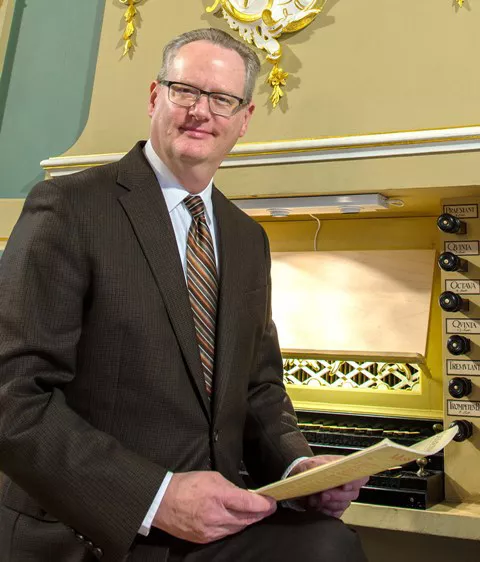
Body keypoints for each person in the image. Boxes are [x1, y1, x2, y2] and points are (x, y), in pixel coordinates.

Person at [0, 28, 368, 562]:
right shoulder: (69, 207)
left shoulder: (247, 239)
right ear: (155, 96)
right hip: (96, 530)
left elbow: (259, 389)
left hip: (213, 526)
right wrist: (154, 496)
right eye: (185, 91)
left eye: (223, 99)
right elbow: (11, 395)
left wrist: (297, 469)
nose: (202, 112)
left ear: (244, 120)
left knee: (328, 546)